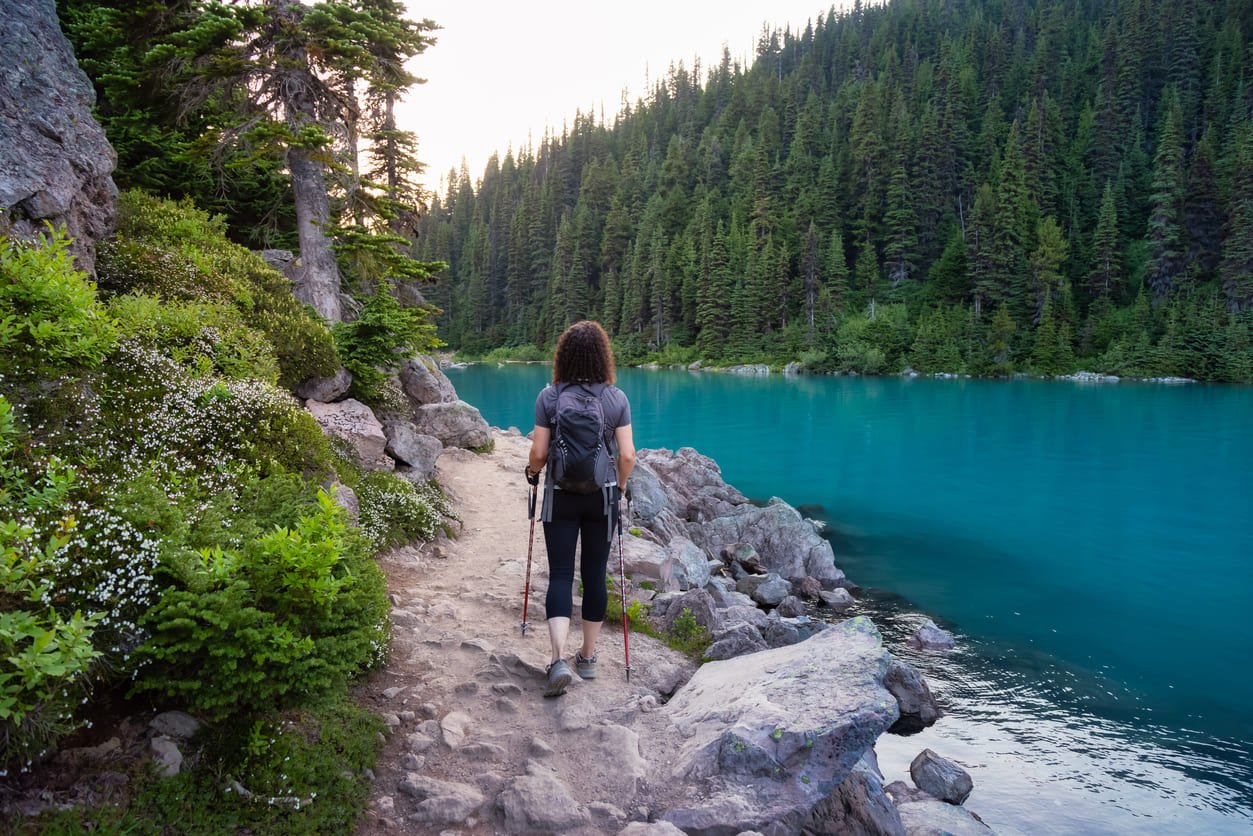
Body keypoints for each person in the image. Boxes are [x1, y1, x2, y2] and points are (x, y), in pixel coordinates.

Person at [526, 321, 635, 697]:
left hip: (560, 496)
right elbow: (627, 455)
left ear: (564, 356)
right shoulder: (616, 399)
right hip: (602, 498)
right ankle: (587, 658)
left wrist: (531, 472)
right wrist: (619, 487)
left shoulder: (550, 397)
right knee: (594, 575)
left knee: (559, 575)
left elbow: (539, 452)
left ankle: (557, 660)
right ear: (602, 356)